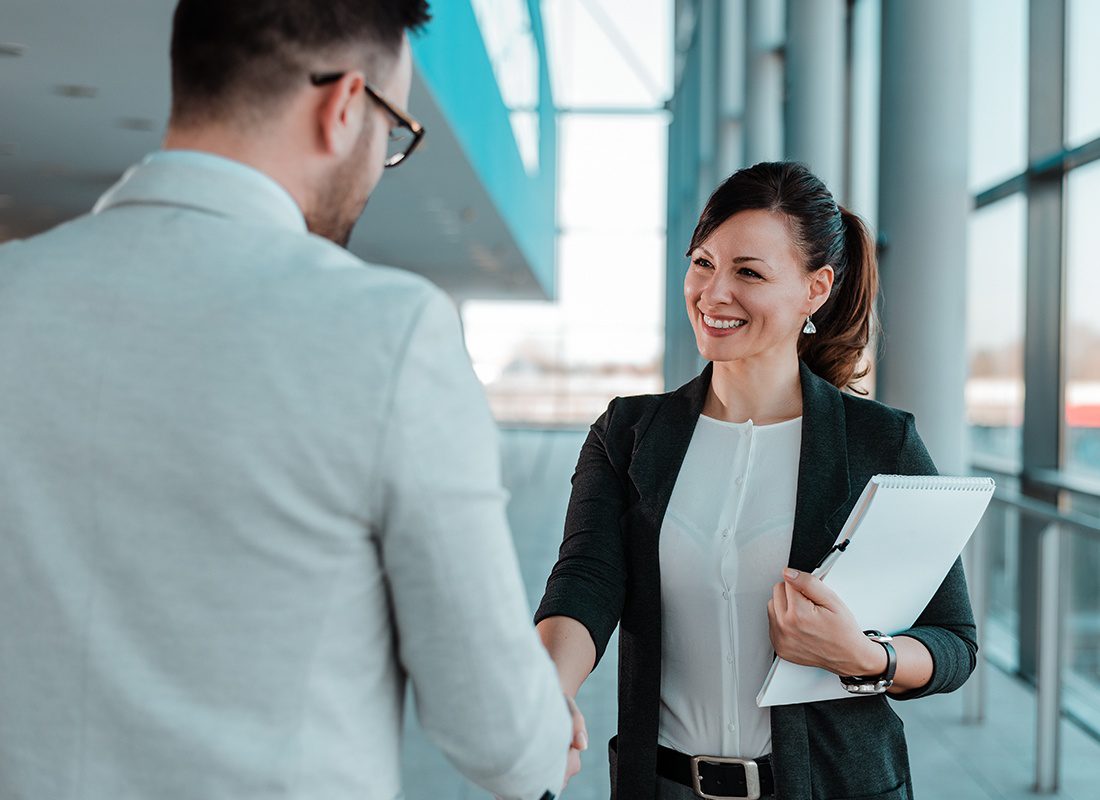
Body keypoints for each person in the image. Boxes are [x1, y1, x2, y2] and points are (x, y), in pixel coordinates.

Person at [0, 2, 582, 799]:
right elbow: (500, 736)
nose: (381, 162)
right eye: (394, 134)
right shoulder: (390, 333)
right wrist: (546, 730)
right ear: (345, 106)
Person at [534, 161, 977, 800]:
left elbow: (952, 644)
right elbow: (585, 582)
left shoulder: (880, 442)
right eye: (703, 263)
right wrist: (547, 691)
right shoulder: (629, 432)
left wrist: (861, 656)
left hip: (832, 787)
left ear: (815, 289)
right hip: (662, 787)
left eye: (749, 272)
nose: (714, 294)